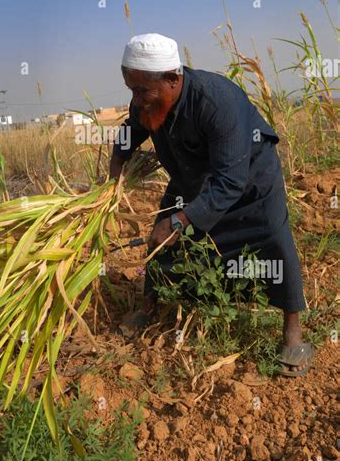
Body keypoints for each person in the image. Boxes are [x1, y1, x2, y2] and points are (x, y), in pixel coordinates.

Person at [109, 33, 314, 376]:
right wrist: (116, 166)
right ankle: (148, 307)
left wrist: (179, 222)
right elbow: (132, 130)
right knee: (160, 242)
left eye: (142, 91)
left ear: (173, 79)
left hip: (248, 178)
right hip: (192, 176)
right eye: (132, 90)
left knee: (274, 242)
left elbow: (229, 181)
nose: (137, 100)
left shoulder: (217, 101)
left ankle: (293, 334)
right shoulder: (145, 100)